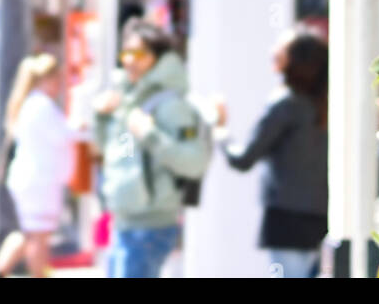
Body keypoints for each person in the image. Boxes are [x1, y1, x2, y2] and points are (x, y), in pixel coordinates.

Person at [94, 19, 210, 279]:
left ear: (158, 59)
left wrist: (150, 134)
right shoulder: (127, 98)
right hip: (124, 221)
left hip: (150, 226)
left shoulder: (169, 105)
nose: (130, 61)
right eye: (126, 53)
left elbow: (194, 162)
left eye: (139, 54)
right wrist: (101, 118)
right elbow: (110, 153)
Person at [215, 24, 328, 279]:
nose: (273, 51)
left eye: (281, 48)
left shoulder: (285, 104)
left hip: (287, 220)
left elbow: (243, 158)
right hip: (320, 218)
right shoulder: (323, 105)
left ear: (296, 60)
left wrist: (220, 131)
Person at [0, 54, 74, 277]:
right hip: (40, 180)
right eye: (57, 79)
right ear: (45, 79)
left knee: (29, 233)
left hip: (31, 178)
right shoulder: (41, 105)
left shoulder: (29, 103)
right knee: (39, 237)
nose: (59, 85)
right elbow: (63, 135)